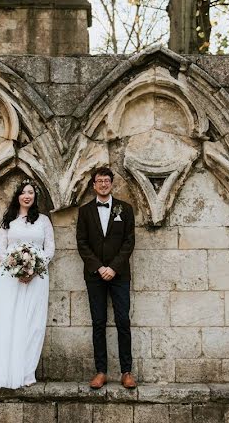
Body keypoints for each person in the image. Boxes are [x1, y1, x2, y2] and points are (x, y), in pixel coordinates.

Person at [0, 179, 55, 389]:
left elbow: (50, 249)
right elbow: (0, 248)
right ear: (18, 196)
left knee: (32, 322)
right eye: (23, 192)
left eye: (30, 192)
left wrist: (34, 268)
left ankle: (26, 372)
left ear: (35, 197)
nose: (27, 196)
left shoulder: (43, 221)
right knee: (8, 320)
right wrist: (17, 267)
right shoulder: (8, 220)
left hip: (37, 277)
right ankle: (3, 371)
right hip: (10, 278)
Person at [75, 166, 137, 389]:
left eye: (107, 181)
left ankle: (126, 372)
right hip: (94, 275)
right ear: (93, 185)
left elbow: (129, 242)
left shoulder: (125, 209)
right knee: (98, 322)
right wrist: (100, 268)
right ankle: (101, 371)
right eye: (99, 181)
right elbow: (82, 243)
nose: (103, 184)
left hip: (120, 275)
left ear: (112, 184)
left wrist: (113, 268)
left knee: (123, 321)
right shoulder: (85, 211)